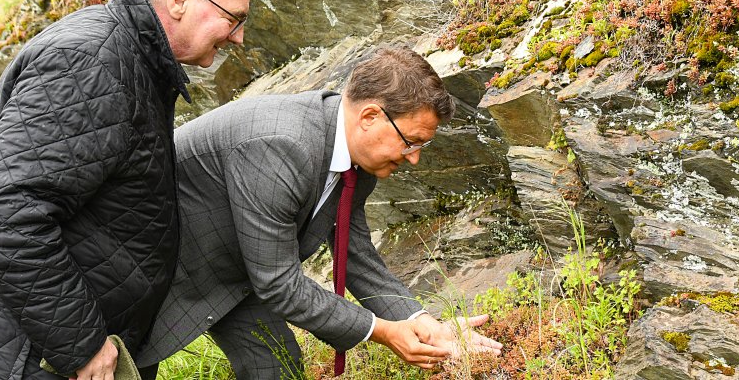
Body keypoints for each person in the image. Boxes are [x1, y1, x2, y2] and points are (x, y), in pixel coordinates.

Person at [0, 0, 253, 379]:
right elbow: (4, 215)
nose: (239, 36)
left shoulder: (129, 58)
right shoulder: (92, 61)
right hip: (18, 360)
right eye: (234, 18)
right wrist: (81, 344)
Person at [136, 48, 503, 378]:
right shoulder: (283, 147)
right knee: (123, 368)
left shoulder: (355, 163)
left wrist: (419, 321)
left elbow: (357, 257)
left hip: (233, 265)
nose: (414, 157)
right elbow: (279, 284)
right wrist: (382, 331)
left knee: (277, 367)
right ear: (370, 116)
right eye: (410, 141)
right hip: (144, 267)